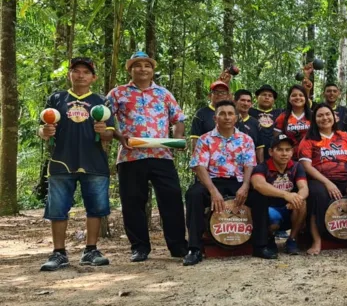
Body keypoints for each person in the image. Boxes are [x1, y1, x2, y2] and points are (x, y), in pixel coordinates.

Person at [107, 51, 188, 262]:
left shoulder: (163, 93)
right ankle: (139, 247)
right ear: (130, 69)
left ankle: (178, 246)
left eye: (147, 65)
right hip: (131, 156)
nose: (143, 69)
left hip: (162, 155)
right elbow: (104, 121)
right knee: (133, 202)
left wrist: (178, 139)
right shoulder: (117, 93)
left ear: (152, 70)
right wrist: (118, 135)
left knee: (171, 199)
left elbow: (178, 119)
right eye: (137, 65)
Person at [38, 57, 115, 271]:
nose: (81, 75)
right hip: (62, 162)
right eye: (76, 71)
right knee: (57, 209)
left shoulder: (102, 102)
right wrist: (44, 132)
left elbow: (110, 134)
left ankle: (91, 250)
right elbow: (42, 129)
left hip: (94, 162)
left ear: (93, 77)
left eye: (86, 72)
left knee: (97, 208)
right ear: (69, 74)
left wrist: (104, 131)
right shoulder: (56, 99)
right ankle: (59, 253)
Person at [184, 100, 273, 265]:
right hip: (212, 181)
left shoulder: (246, 140)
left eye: (230, 114)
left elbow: (249, 165)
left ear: (236, 117)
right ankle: (195, 249)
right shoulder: (205, 140)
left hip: (238, 181)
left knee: (260, 196)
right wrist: (212, 191)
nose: (226, 117)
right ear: (215, 118)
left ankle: (261, 245)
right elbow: (199, 166)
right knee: (193, 195)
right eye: (222, 114)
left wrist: (246, 186)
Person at [297, 103, 347, 255]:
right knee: (317, 195)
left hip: (345, 178)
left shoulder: (344, 136)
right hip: (319, 180)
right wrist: (327, 183)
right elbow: (307, 166)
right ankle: (317, 240)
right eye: (320, 115)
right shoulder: (308, 140)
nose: (324, 118)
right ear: (315, 119)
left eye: (327, 114)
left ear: (334, 117)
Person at [251, 134, 309, 255]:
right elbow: (258, 184)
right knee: (272, 216)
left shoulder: (297, 166)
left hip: (290, 209)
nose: (284, 153)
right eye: (280, 149)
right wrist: (285, 195)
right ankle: (269, 239)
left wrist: (297, 198)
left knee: (302, 203)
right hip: (270, 210)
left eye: (288, 150)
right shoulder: (262, 167)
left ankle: (292, 239)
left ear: (292, 152)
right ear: (271, 152)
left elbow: (304, 188)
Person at [190, 80, 231, 153]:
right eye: (216, 92)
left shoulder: (232, 114)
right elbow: (195, 141)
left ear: (228, 96)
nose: (220, 95)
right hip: (207, 157)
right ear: (209, 96)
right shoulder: (201, 114)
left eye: (223, 92)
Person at [249, 84, 282, 162]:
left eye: (270, 96)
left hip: (275, 154)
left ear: (274, 100)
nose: (267, 97)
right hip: (252, 154)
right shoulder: (249, 111)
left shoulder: (280, 113)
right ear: (257, 97)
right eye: (264, 95)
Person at [274, 85, 311, 152]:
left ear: (305, 98)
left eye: (301, 95)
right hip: (289, 157)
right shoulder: (282, 117)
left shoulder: (314, 116)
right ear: (289, 99)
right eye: (294, 95)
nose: (297, 97)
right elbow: (277, 140)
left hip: (311, 155)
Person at [233, 89, 262, 154]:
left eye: (248, 101)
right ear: (235, 101)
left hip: (249, 161)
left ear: (251, 104)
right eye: (242, 100)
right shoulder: (227, 120)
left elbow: (259, 148)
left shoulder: (256, 123)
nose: (246, 103)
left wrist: (261, 164)